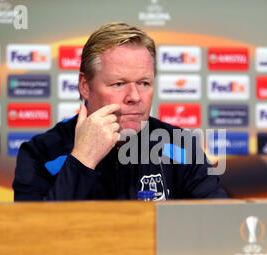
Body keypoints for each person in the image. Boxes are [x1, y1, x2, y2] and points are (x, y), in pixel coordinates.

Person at [13, 22, 228, 201]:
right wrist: (82, 160)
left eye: (144, 83)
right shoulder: (40, 154)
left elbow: (217, 225)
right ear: (85, 86)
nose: (134, 96)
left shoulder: (181, 147)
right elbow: (32, 237)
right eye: (118, 84)